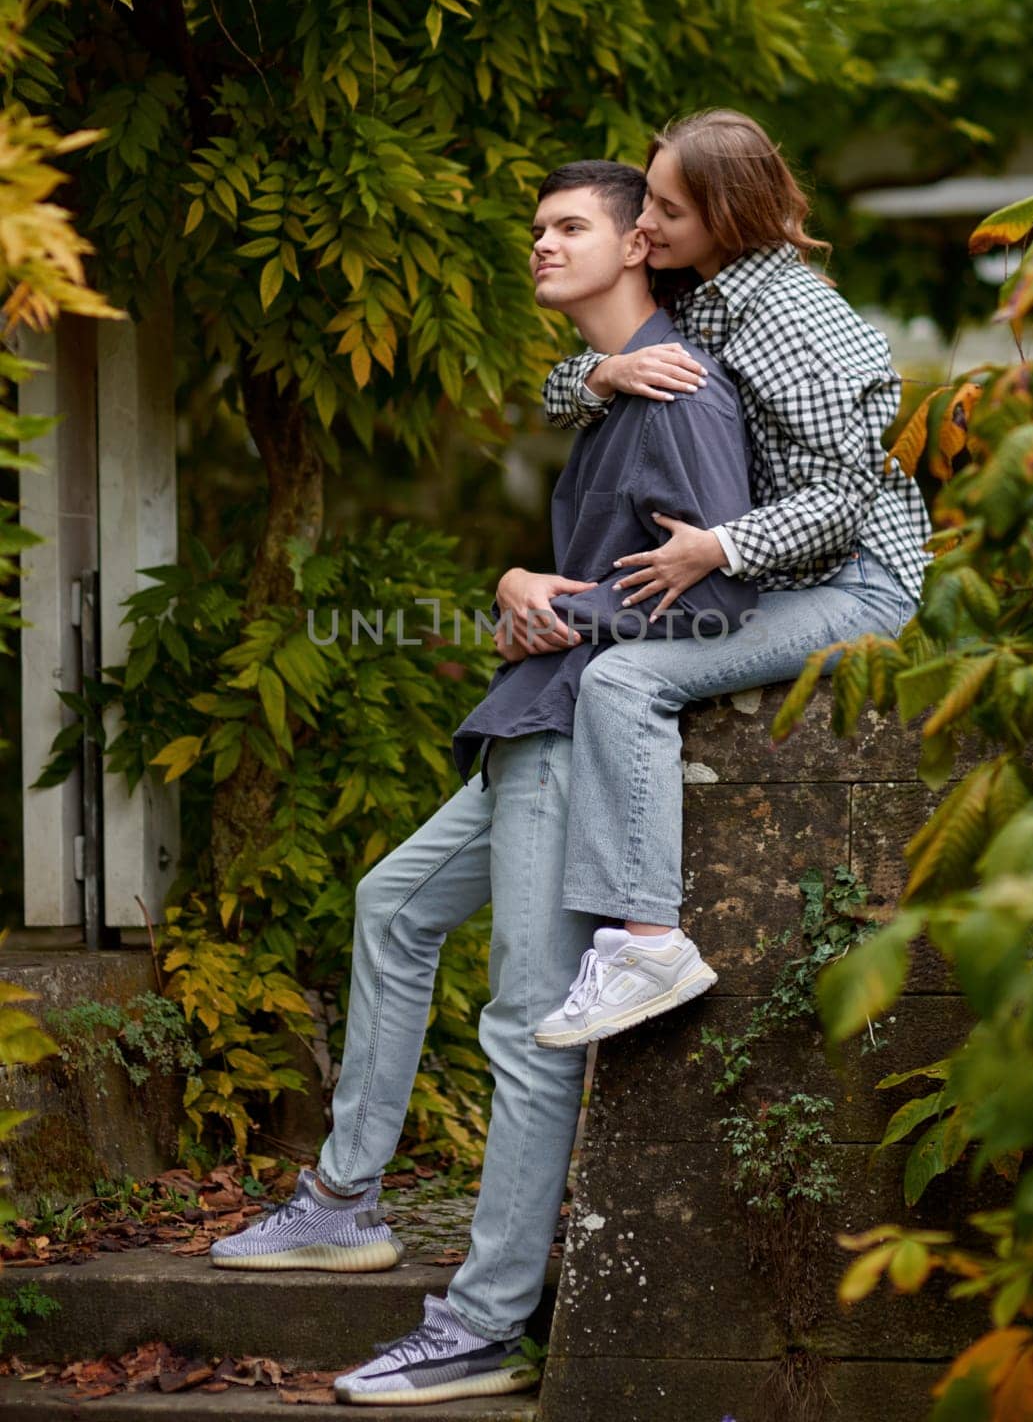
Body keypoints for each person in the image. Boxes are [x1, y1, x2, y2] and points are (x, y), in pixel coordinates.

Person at [208, 158, 755, 1407]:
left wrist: (552, 599)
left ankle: (486, 1321)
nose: (542, 247)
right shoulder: (615, 389)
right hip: (536, 720)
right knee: (390, 908)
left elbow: (716, 598)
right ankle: (344, 1200)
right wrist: (530, 595)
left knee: (523, 1021)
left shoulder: (678, 393)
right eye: (537, 229)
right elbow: (613, 585)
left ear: (642, 248)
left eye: (572, 227)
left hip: (577, 745)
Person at [497, 110, 930, 1053]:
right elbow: (554, 390)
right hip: (791, 570)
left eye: (666, 210)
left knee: (627, 677)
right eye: (646, 198)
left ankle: (650, 940)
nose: (643, 226)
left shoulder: (792, 320)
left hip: (858, 584)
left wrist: (719, 548)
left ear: (727, 215)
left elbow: (850, 498)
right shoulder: (706, 295)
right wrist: (605, 374)